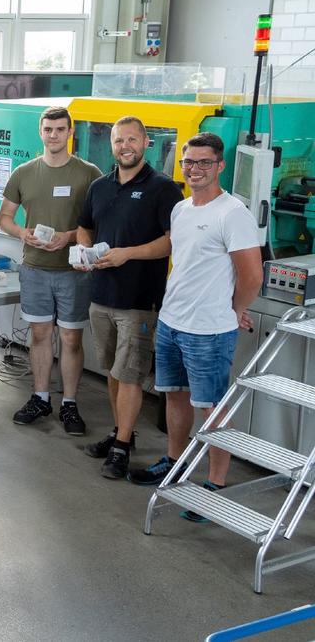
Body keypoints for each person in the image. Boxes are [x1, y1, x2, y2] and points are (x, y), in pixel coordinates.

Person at [128, 132, 262, 521]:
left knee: (212, 406)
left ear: (220, 166)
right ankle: (175, 462)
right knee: (175, 397)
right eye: (189, 162)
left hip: (209, 330)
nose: (195, 169)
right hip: (172, 321)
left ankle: (216, 484)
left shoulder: (232, 213)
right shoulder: (181, 209)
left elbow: (252, 276)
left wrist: (235, 309)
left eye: (204, 162)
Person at [76, 116, 183, 479]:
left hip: (139, 299)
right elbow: (84, 226)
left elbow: (172, 241)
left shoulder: (163, 189)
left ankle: (121, 447)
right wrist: (84, 251)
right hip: (102, 295)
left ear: (146, 142)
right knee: (113, 370)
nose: (125, 146)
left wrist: (128, 254)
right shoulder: (100, 186)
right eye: (119, 140)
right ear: (112, 145)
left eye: (132, 140)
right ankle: (121, 432)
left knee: (130, 374)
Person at [0, 106, 102, 436]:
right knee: (40, 335)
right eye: (48, 129)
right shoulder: (24, 173)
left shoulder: (89, 173)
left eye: (60, 129)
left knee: (71, 338)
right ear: (40, 132)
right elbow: (4, 218)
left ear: (70, 132)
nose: (53, 135)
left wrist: (67, 237)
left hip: (73, 271)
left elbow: (99, 222)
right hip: (35, 269)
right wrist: (22, 233)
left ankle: (69, 403)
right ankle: (40, 398)